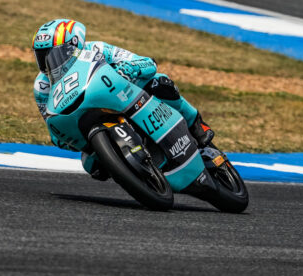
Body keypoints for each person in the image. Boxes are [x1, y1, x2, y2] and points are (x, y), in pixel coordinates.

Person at [32, 18, 214, 179]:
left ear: (75, 45)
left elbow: (147, 63)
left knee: (161, 82)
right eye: (42, 56)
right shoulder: (42, 87)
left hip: (126, 95)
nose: (49, 63)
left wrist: (128, 69)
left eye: (55, 54)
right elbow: (52, 126)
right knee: (93, 167)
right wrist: (64, 139)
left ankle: (196, 124)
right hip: (89, 121)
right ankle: (137, 172)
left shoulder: (98, 49)